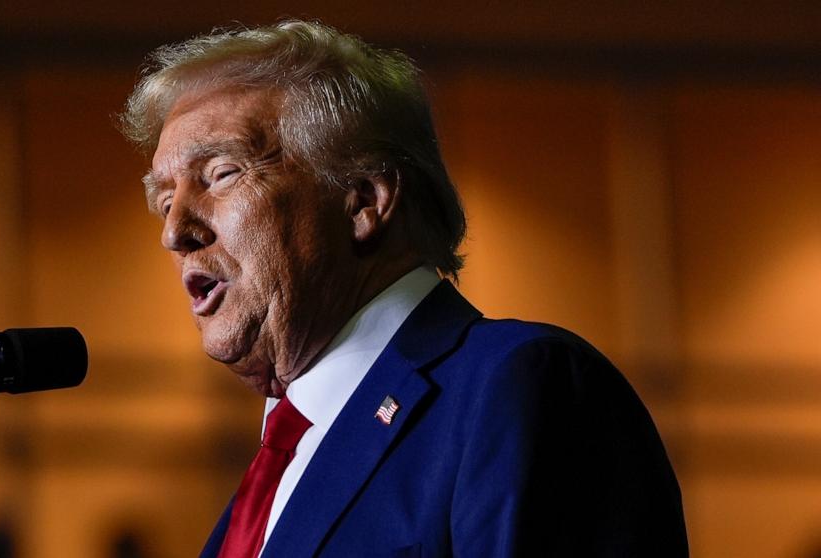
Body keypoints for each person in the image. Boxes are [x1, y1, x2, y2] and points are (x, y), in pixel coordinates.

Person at [121, 20, 688, 558]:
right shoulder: (274, 471)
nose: (175, 232)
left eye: (221, 174)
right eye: (165, 201)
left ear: (365, 199)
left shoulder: (518, 387)